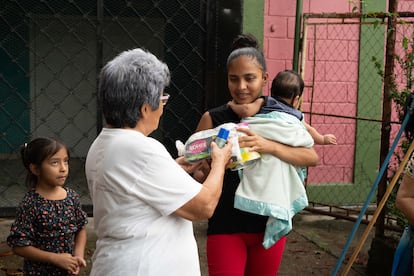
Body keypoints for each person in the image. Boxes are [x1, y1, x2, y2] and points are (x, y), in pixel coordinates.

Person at [84, 48, 232, 276]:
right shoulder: (141, 148)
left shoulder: (103, 143)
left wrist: (172, 168)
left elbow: (136, 188)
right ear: (145, 108)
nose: (163, 107)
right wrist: (220, 161)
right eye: (162, 99)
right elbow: (204, 206)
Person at [195, 34, 319, 275]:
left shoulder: (280, 117)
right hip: (225, 225)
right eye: (234, 79)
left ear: (264, 78)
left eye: (249, 78)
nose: (241, 87)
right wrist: (208, 168)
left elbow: (311, 157)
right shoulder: (213, 118)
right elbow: (196, 171)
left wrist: (269, 146)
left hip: (267, 225)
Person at [7, 137, 88, 275]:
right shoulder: (31, 203)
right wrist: (55, 259)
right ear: (35, 169)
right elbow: (19, 246)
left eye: (66, 161)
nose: (63, 169)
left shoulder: (72, 197)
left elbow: (81, 228)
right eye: (54, 162)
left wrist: (78, 255)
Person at [228, 69, 337, 145]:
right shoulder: (297, 115)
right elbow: (309, 129)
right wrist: (322, 139)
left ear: (272, 91)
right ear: (296, 100)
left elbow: (246, 110)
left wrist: (232, 105)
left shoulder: (265, 101)